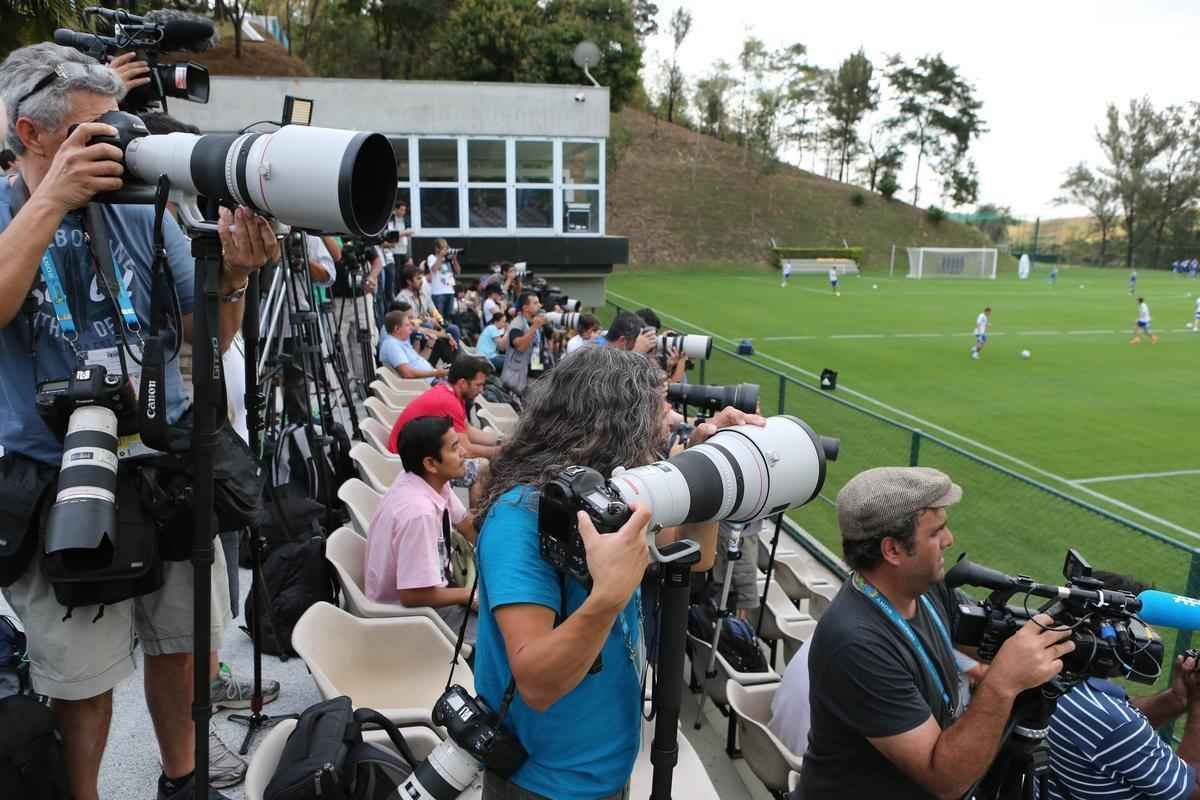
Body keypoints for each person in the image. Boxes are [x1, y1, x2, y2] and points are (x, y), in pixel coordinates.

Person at [0, 43, 281, 800]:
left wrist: (240, 278)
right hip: (57, 476)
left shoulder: (142, 206)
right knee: (82, 680)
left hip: (162, 461)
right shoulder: (5, 208)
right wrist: (51, 200)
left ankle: (183, 780)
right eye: (95, 133)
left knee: (183, 648)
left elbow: (205, 337)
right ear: (31, 133)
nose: (119, 146)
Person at [472, 345, 762, 799]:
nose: (669, 422)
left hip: (605, 771)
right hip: (545, 784)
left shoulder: (609, 499)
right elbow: (536, 682)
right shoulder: (520, 517)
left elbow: (694, 556)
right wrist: (608, 596)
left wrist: (708, 467)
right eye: (657, 410)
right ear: (612, 425)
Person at [799, 466, 1074, 800]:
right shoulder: (856, 642)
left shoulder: (927, 590)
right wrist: (1003, 684)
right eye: (936, 532)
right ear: (893, 551)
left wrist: (1063, 632)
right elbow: (946, 780)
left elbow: (987, 636)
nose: (949, 540)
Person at [1042, 572, 1200, 800]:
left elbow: (1114, 735)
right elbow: (1192, 790)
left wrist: (1176, 699)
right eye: (1139, 630)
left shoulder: (1053, 679)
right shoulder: (1113, 721)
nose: (1148, 639)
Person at [364, 415, 479, 641]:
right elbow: (412, 596)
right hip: (414, 616)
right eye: (455, 448)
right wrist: (470, 595)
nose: (464, 452)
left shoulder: (424, 480)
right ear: (430, 463)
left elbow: (466, 524)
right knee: (504, 630)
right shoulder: (419, 514)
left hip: (431, 590)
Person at [387, 355, 501, 463]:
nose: (481, 390)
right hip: (405, 462)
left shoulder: (450, 392)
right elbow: (466, 450)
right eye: (478, 385)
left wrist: (500, 440)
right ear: (462, 383)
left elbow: (468, 430)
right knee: (484, 467)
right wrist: (501, 452)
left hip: (412, 454)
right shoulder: (449, 402)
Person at [378, 310, 449, 383]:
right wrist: (437, 373)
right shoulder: (391, 345)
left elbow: (418, 361)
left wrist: (429, 345)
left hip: (433, 379)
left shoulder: (401, 341)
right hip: (426, 385)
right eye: (407, 325)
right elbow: (408, 374)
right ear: (397, 329)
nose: (411, 328)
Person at [499, 290, 547, 395]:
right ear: (525, 307)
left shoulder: (535, 321)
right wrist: (534, 327)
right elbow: (520, 346)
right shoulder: (517, 323)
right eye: (535, 303)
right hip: (519, 377)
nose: (539, 305)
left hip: (535, 371)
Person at [426, 238, 461, 322]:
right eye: (443, 248)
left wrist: (455, 259)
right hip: (438, 293)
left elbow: (458, 271)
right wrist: (441, 256)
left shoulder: (448, 259)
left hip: (450, 291)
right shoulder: (432, 257)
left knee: (449, 318)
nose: (445, 250)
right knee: (439, 318)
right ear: (437, 248)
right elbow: (434, 269)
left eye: (446, 248)